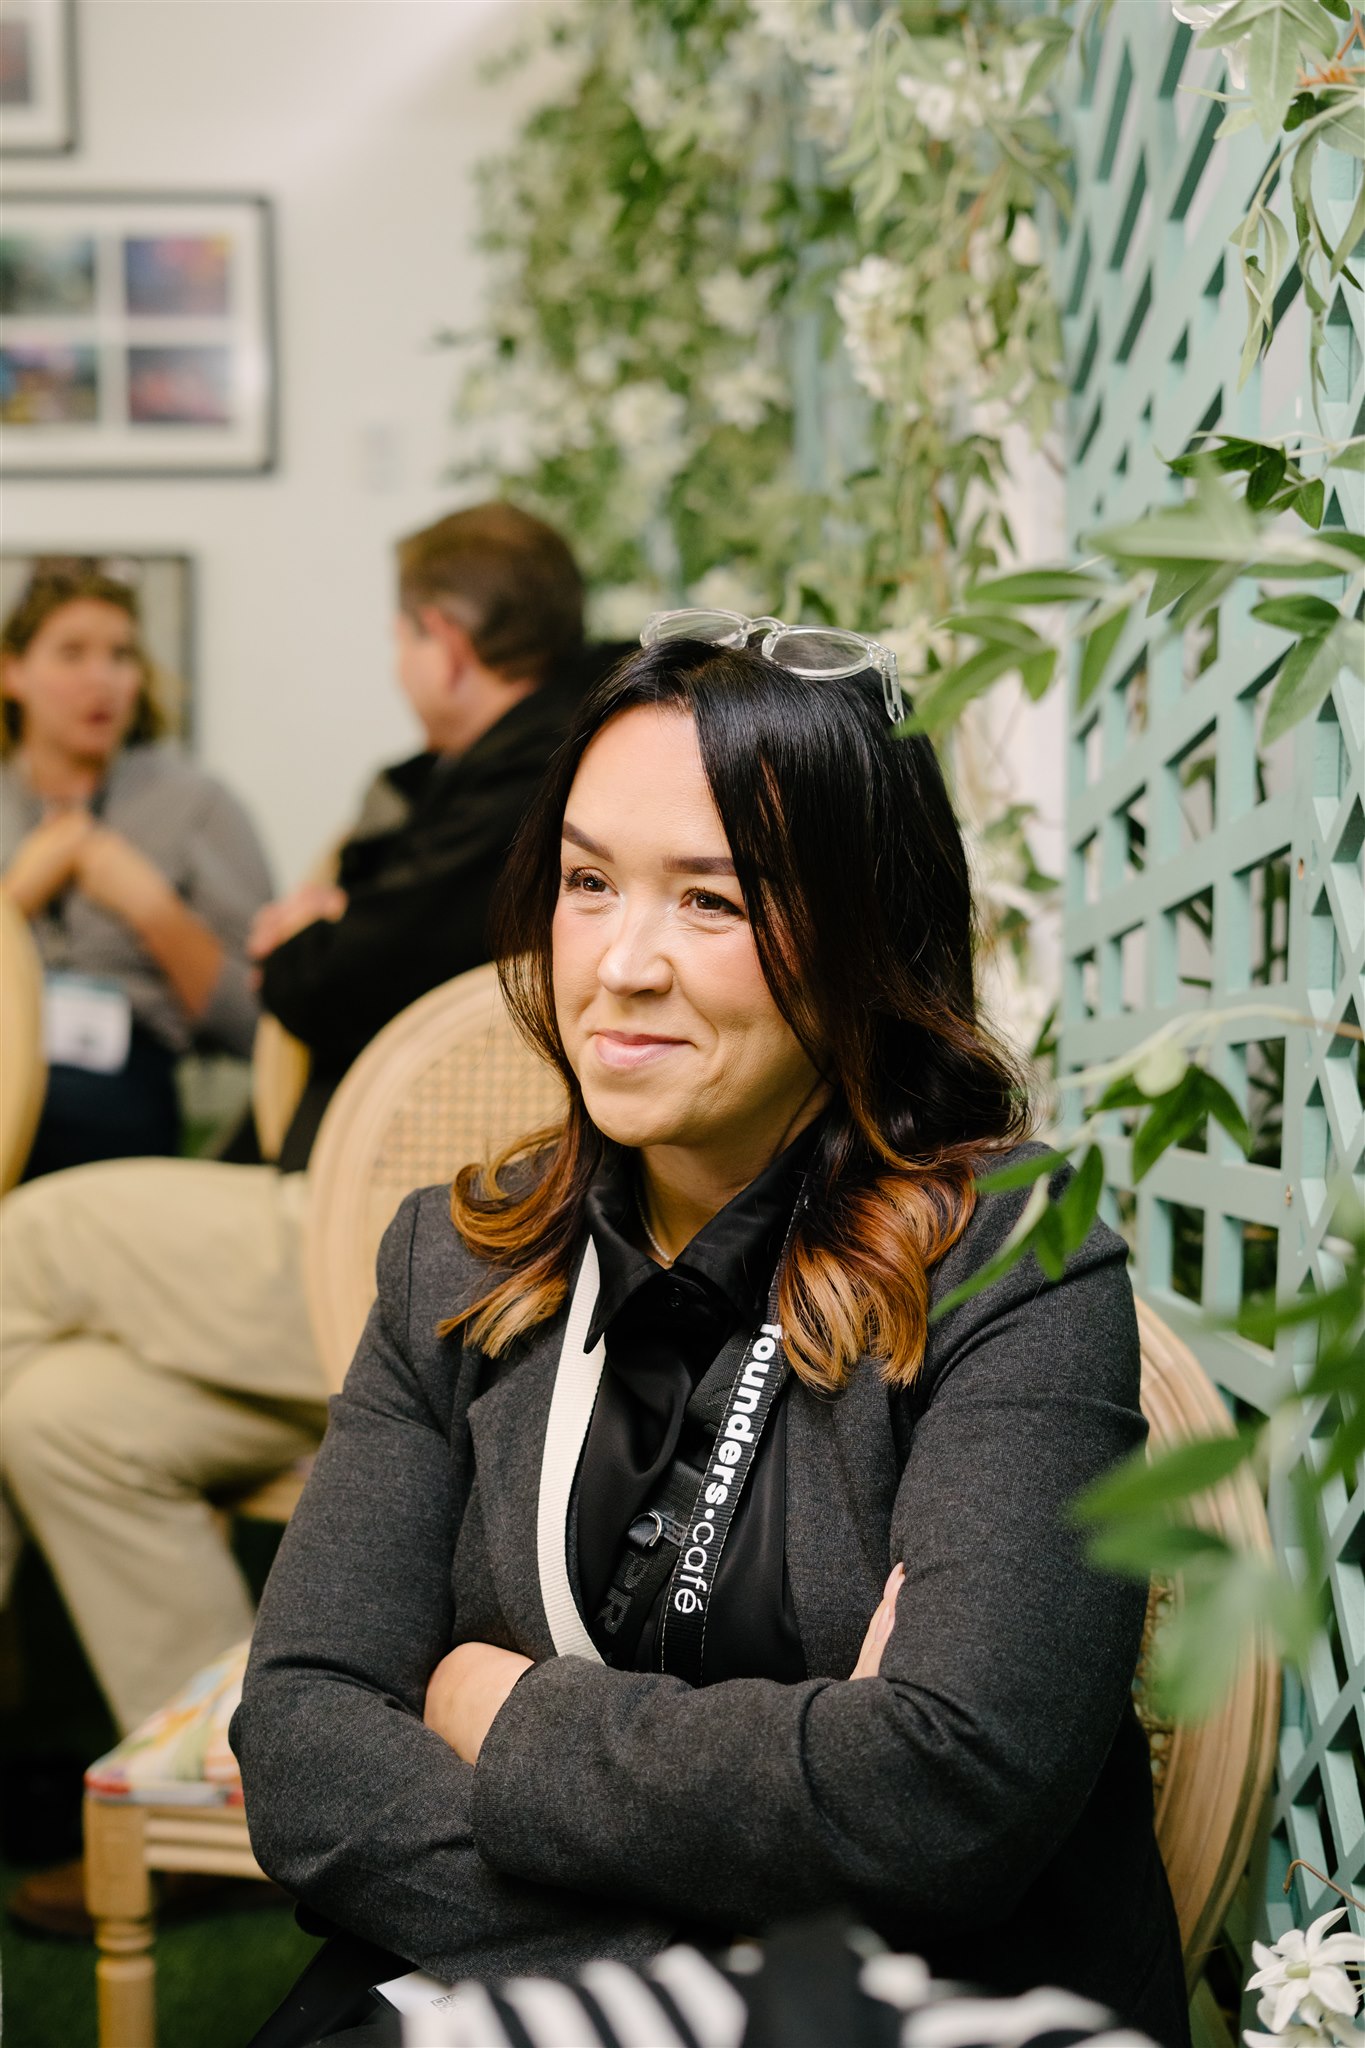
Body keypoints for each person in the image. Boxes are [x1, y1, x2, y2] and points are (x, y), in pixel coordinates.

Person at [233, 618, 1190, 2048]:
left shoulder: (1011, 1261)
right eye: (587, 883)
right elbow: (306, 1740)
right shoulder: (459, 1257)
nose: (620, 963)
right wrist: (711, 1950)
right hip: (543, 1975)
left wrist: (504, 1710)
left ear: (867, 931)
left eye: (712, 900)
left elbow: (944, 1794)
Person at [0, 503, 613, 1929]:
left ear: (442, 639)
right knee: (60, 1418)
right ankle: (243, 1790)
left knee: (22, 1242)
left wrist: (309, 930)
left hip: (401, 1242)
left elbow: (326, 979)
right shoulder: (480, 774)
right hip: (361, 1227)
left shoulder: (541, 770)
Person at [0, 564, 272, 1175]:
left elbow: (258, 1027)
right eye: (72, 653)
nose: (101, 679)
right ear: (12, 673)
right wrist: (15, 898)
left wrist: (152, 909)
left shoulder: (198, 806)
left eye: (121, 655)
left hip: (120, 1080)